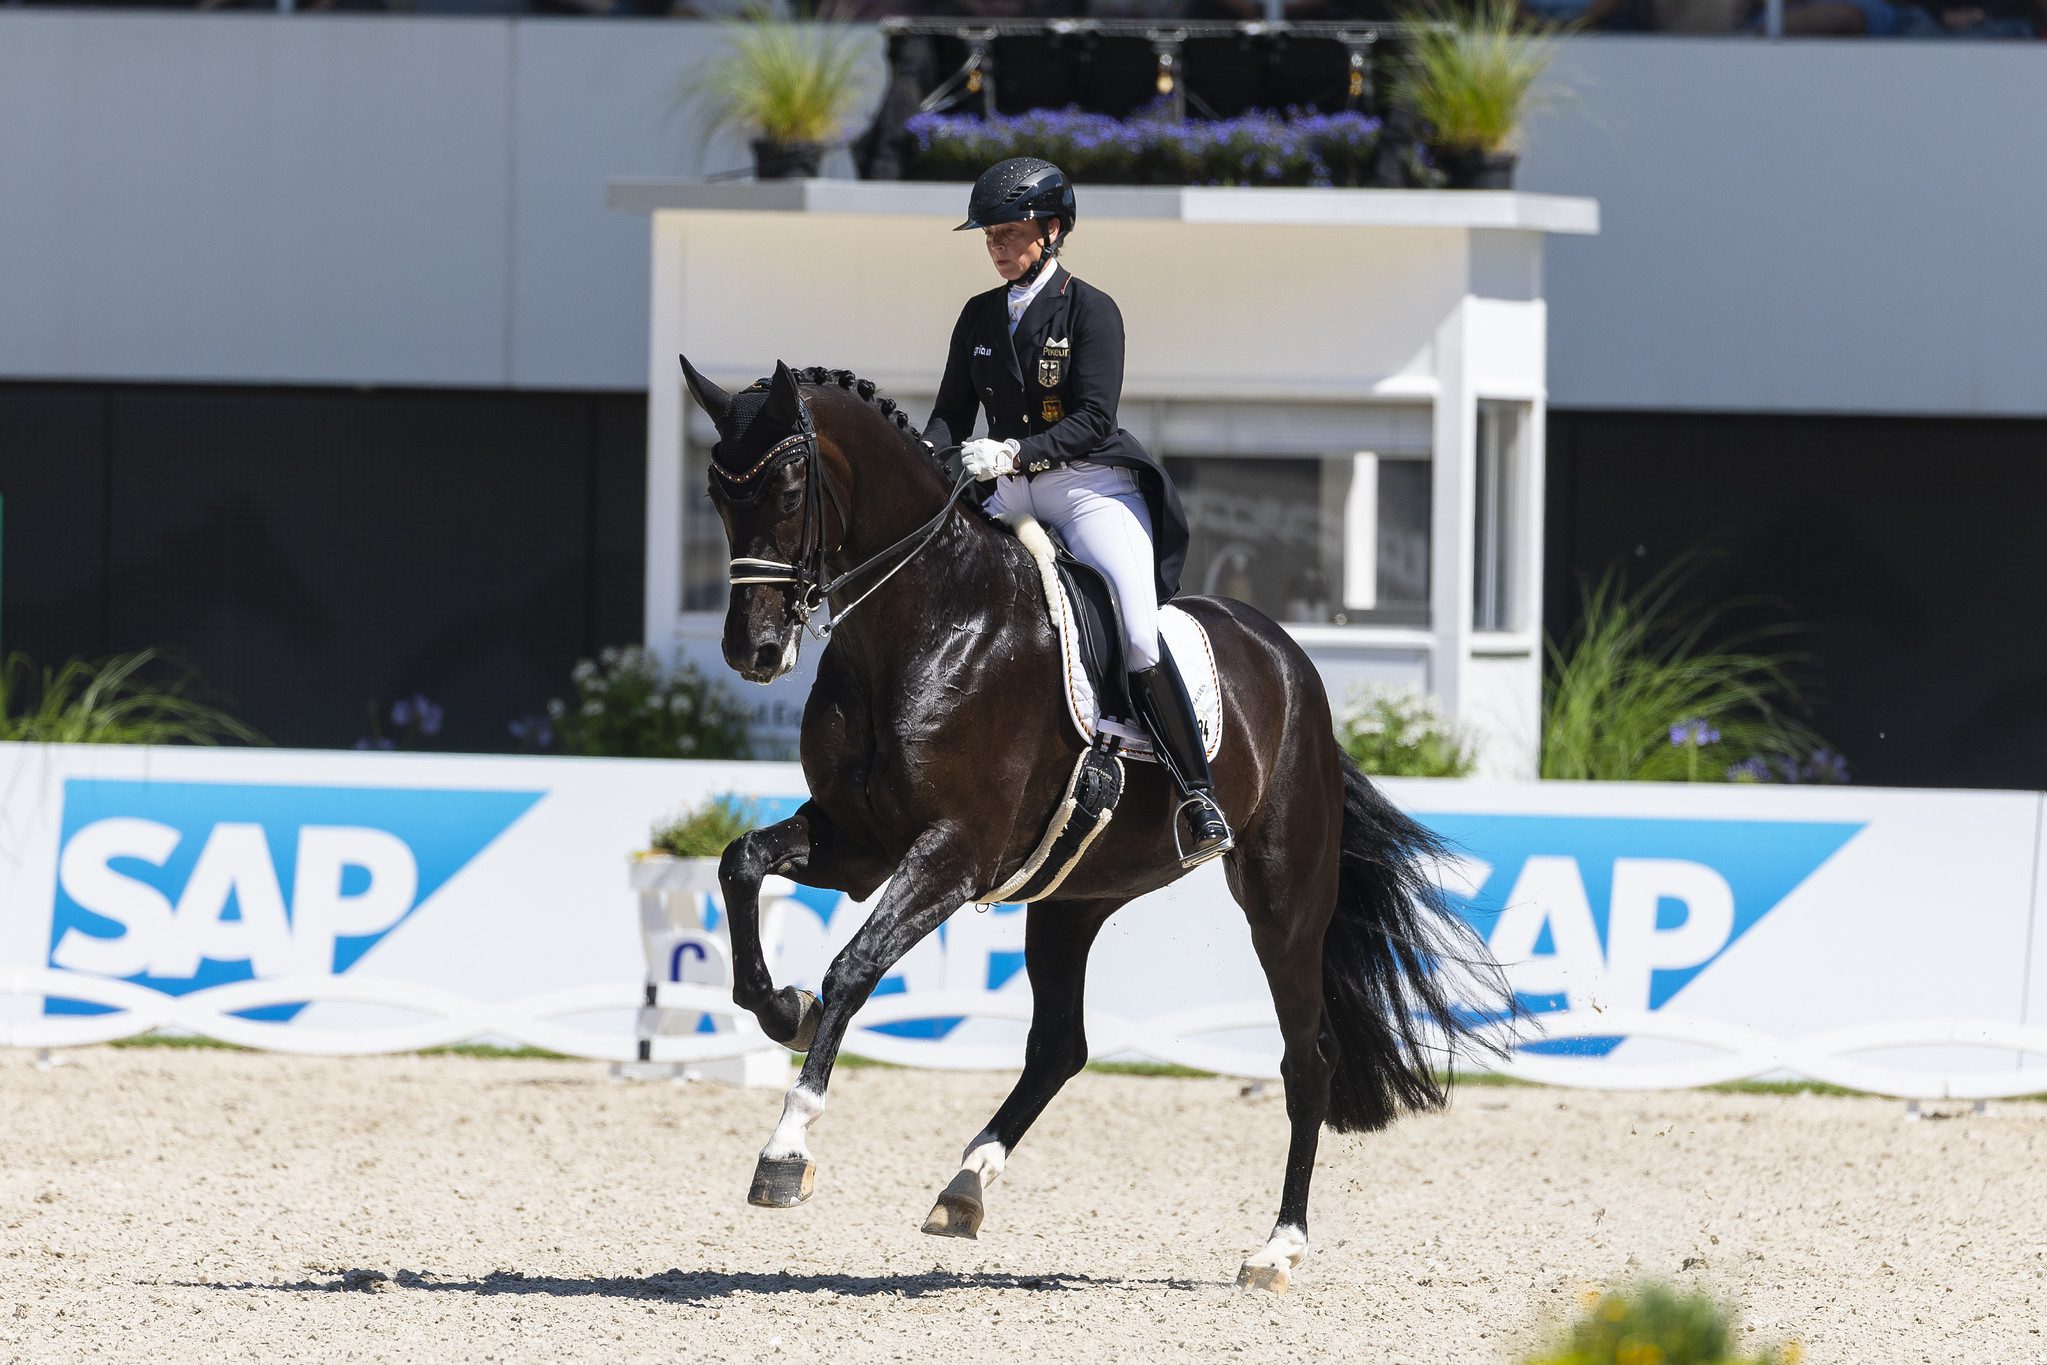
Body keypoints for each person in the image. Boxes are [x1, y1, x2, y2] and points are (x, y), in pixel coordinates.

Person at [922, 156, 1233, 868]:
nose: (997, 246)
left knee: (1136, 628)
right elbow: (947, 415)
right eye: (990, 236)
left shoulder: (1090, 309)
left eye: (1010, 232)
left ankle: (1197, 795)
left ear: (1052, 230)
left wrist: (1014, 451)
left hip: (1085, 484)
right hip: (1004, 483)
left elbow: (1093, 419)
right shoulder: (977, 315)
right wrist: (927, 459)